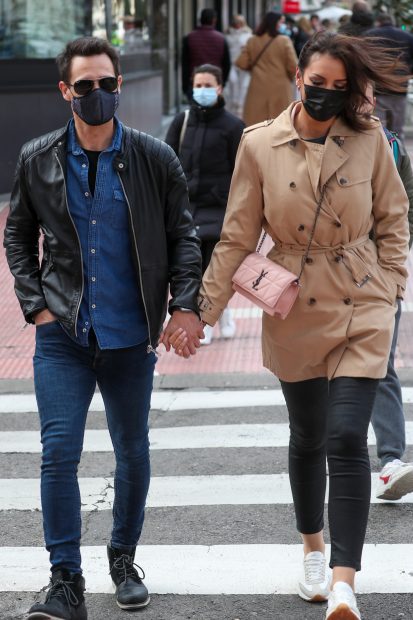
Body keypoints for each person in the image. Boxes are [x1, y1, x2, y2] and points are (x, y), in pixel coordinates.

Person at [193, 32, 409, 619]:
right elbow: (238, 235)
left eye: (341, 89)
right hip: (293, 303)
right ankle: (312, 549)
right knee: (309, 435)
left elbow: (394, 220)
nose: (328, 97)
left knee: (346, 437)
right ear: (299, 80)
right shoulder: (260, 144)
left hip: (362, 302)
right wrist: (202, 311)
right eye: (319, 86)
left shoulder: (369, 142)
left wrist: (390, 288)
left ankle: (344, 581)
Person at [3, 36, 203, 620]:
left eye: (107, 84)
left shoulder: (154, 158)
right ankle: (65, 579)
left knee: (132, 451)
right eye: (85, 86)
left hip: (129, 336)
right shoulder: (37, 157)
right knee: (57, 454)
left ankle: (122, 556)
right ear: (65, 91)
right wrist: (35, 303)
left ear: (119, 86)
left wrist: (184, 304)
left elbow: (183, 237)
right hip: (61, 334)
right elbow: (18, 235)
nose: (98, 94)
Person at [165, 64, 244, 345]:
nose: (202, 90)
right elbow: (167, 162)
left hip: (218, 210)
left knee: (212, 268)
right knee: (189, 266)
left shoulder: (234, 127)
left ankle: (206, 319)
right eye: (198, 85)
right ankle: (217, 315)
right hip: (186, 210)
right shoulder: (182, 121)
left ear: (219, 88)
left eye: (208, 85)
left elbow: (242, 173)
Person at [362, 83, 413, 501]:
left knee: (381, 364)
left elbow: (407, 205)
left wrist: (394, 266)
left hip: (379, 277)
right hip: (324, 277)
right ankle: (328, 450)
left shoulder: (392, 146)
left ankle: (391, 459)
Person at [235, 11, 297, 127]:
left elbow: (241, 63)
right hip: (280, 88)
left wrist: (253, 69)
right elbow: (293, 66)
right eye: (281, 22)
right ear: (275, 23)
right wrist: (289, 78)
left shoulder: (252, 40)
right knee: (280, 124)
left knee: (256, 125)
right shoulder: (284, 41)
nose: (283, 25)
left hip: (257, 87)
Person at [366, 13, 413, 140]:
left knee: (380, 126)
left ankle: (383, 154)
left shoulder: (370, 35)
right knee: (398, 128)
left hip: (379, 86)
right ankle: (400, 156)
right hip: (400, 86)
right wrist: (408, 72)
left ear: (378, 22)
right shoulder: (407, 37)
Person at [181, 8, 231, 99]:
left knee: (196, 110)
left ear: (200, 20)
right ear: (214, 20)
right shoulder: (221, 39)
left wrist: (185, 86)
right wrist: (222, 82)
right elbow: (226, 63)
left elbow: (185, 64)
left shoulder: (190, 38)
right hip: (214, 81)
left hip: (195, 82)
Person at [225, 14, 252, 117]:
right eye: (236, 22)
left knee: (242, 85)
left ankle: (239, 105)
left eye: (240, 22)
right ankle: (234, 102)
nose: (238, 25)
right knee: (233, 81)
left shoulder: (248, 34)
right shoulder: (227, 34)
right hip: (231, 63)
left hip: (243, 64)